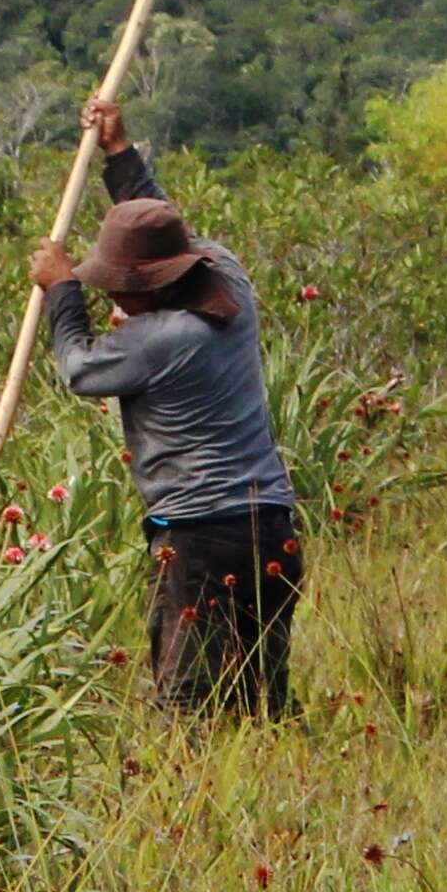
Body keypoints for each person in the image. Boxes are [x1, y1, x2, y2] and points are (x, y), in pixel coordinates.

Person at [28, 93, 301, 714]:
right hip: (273, 529)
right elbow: (158, 223)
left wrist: (62, 289)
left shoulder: (157, 341)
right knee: (262, 696)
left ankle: (200, 804)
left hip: (201, 537)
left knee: (187, 703)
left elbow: (78, 368)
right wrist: (119, 151)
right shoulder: (227, 276)